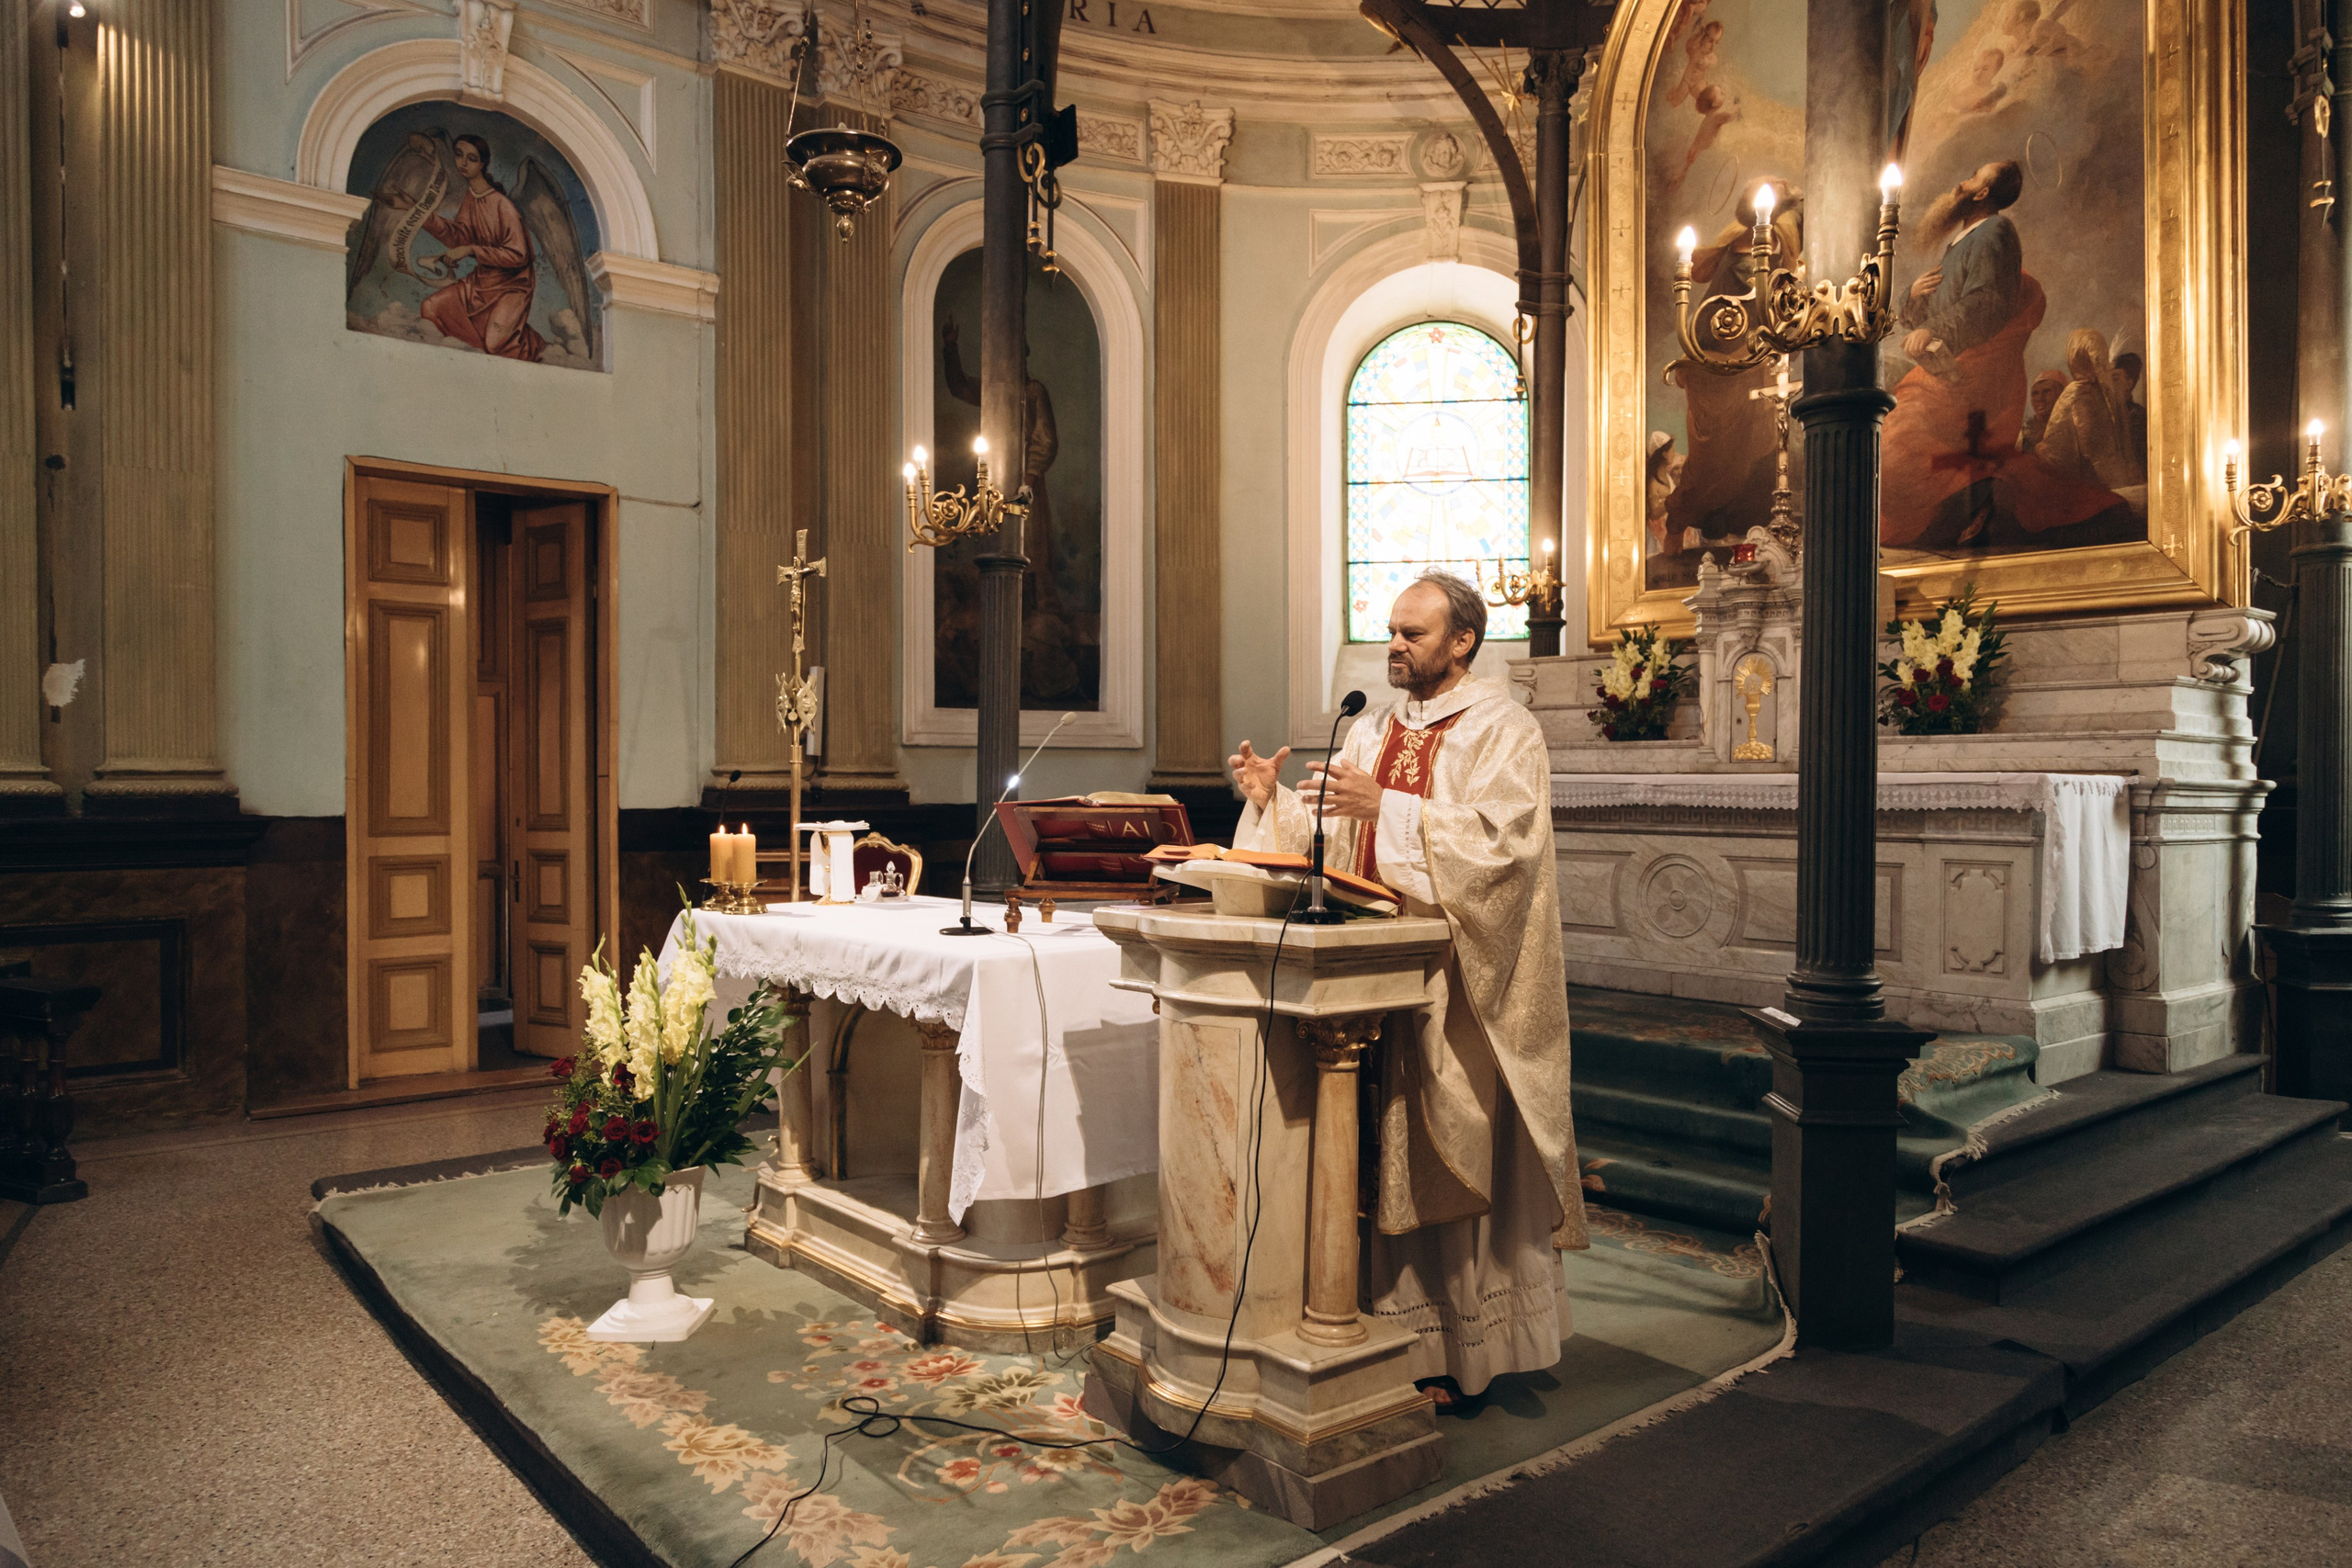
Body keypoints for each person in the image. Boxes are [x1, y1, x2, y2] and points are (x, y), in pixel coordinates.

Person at [1225, 573, 1587, 1409]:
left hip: (1458, 986)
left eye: (1412, 633)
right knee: (1364, 1154)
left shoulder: (1505, 729)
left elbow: (1507, 849)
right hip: (1368, 985)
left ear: (1462, 641)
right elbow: (1330, 842)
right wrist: (1270, 803)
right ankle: (1370, 1328)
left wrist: (1389, 805)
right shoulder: (1370, 730)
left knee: (1444, 1150)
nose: (1394, 644)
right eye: (1390, 630)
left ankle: (1464, 1348)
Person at [419, 134, 545, 362]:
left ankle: (532, 342)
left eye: (472, 158)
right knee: (430, 308)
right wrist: (417, 213)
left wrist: (471, 251)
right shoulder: (471, 198)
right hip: (480, 283)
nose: (463, 163)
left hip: (512, 287)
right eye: (459, 155)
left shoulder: (501, 205)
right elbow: (459, 236)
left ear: (483, 163)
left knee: (495, 345)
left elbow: (519, 255)